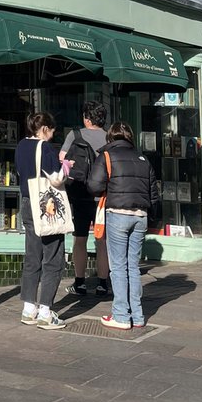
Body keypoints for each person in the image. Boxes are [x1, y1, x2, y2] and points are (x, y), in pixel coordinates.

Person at [87, 120, 161, 330]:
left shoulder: (107, 156)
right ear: (130, 137)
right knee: (133, 266)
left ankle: (120, 315)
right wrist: (153, 217)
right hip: (140, 216)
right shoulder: (143, 159)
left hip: (117, 214)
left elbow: (93, 185)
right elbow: (153, 193)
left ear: (110, 137)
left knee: (118, 267)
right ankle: (137, 315)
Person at [15, 111, 67, 330]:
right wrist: (66, 166)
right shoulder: (44, 147)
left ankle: (29, 309)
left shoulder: (20, 146)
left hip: (27, 203)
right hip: (46, 205)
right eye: (52, 131)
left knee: (32, 256)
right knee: (53, 258)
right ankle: (46, 311)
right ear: (45, 128)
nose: (52, 136)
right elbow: (55, 178)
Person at [60, 102, 110, 299]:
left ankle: (79, 282)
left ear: (86, 118)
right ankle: (103, 284)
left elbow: (62, 159)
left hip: (80, 195)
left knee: (79, 240)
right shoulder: (109, 137)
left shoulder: (75, 135)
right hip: (102, 198)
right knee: (102, 241)